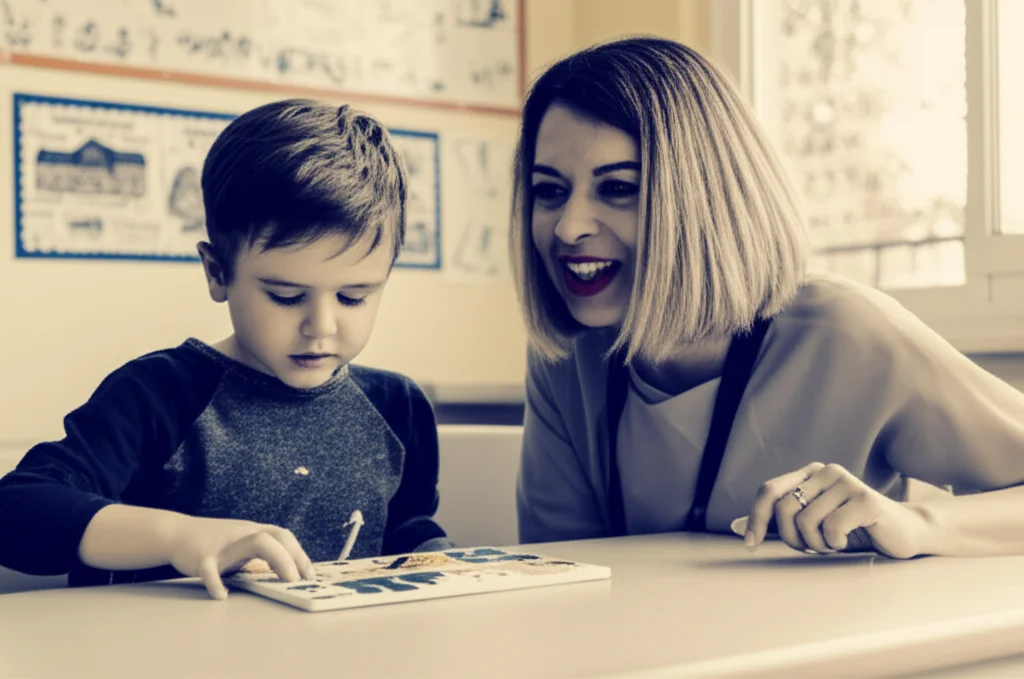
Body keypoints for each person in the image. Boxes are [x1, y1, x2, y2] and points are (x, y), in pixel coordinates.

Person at [510, 36, 1024, 560]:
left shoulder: (851, 334)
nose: (569, 227)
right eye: (549, 191)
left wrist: (917, 524)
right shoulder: (565, 358)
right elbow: (558, 572)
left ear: (704, 198)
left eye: (618, 187)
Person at [0, 99, 453, 599]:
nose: (321, 327)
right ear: (217, 272)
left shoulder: (398, 407)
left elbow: (405, 530)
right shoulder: (159, 396)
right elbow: (17, 511)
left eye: (354, 297)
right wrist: (179, 537)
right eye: (285, 296)